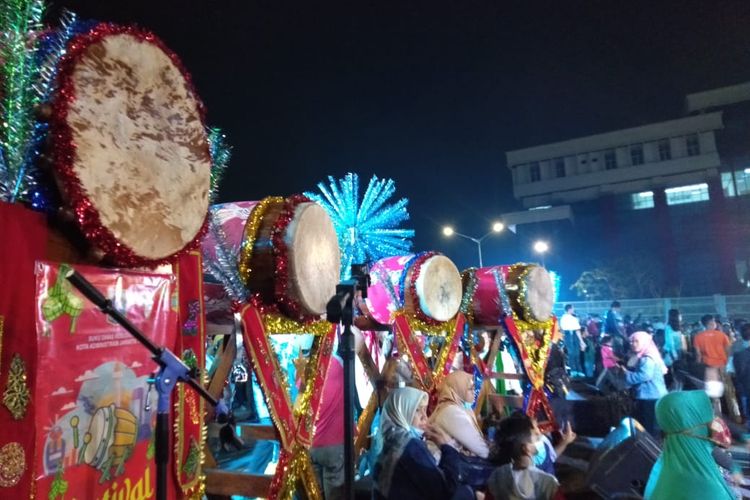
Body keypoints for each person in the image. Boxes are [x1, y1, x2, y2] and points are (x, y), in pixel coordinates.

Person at [372, 387, 474, 500]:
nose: (424, 417)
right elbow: (446, 489)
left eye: (425, 410)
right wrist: (447, 446)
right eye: (417, 410)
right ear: (402, 411)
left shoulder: (390, 438)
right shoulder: (409, 445)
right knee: (468, 493)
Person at [644, 391, 735, 500]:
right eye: (709, 419)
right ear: (694, 427)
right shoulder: (702, 483)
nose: (716, 425)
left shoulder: (667, 462)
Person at [486, 416, 560, 500]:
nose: (540, 436)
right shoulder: (548, 483)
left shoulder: (496, 478)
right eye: (536, 436)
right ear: (527, 449)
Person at [616, 331, 668, 436]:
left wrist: (627, 374)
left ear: (644, 342)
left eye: (636, 341)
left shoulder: (647, 358)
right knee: (649, 424)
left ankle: (649, 447)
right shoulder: (645, 355)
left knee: (648, 426)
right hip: (653, 394)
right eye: (631, 341)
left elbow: (645, 375)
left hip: (650, 395)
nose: (632, 344)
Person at [430, 371, 490, 458]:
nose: (474, 392)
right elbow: (481, 450)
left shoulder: (458, 408)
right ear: (458, 390)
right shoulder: (451, 411)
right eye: (470, 389)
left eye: (474, 388)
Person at [310, 354, 345, 500]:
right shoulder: (337, 363)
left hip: (311, 443)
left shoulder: (304, 366)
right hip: (334, 444)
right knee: (335, 494)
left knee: (315, 493)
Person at [694, 314, 731, 414]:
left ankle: (717, 416)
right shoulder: (722, 335)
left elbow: (698, 355)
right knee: (729, 393)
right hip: (723, 366)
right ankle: (734, 415)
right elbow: (728, 352)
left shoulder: (698, 337)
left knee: (714, 395)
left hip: (709, 368)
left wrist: (698, 368)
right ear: (711, 323)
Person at [731, 323, 750, 426]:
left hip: (743, 381)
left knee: (745, 400)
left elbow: (730, 368)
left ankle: (747, 421)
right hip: (744, 380)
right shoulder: (736, 346)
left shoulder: (735, 346)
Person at [560, 304, 584, 376]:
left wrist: (581, 341)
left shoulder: (572, 318)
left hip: (573, 334)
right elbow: (565, 329)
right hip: (569, 334)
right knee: (572, 354)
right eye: (573, 309)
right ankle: (574, 370)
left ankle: (578, 370)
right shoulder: (566, 318)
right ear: (569, 309)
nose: (574, 310)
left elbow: (577, 330)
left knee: (576, 353)